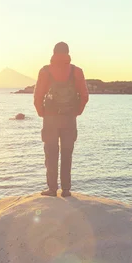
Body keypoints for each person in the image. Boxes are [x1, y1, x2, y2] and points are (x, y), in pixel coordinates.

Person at [34, 42, 89, 197]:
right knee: (67, 153)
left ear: (53, 52)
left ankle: (52, 189)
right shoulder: (76, 71)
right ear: (68, 53)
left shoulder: (45, 71)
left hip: (50, 118)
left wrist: (42, 113)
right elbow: (84, 96)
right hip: (69, 118)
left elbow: (38, 96)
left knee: (51, 154)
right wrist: (76, 112)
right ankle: (66, 189)